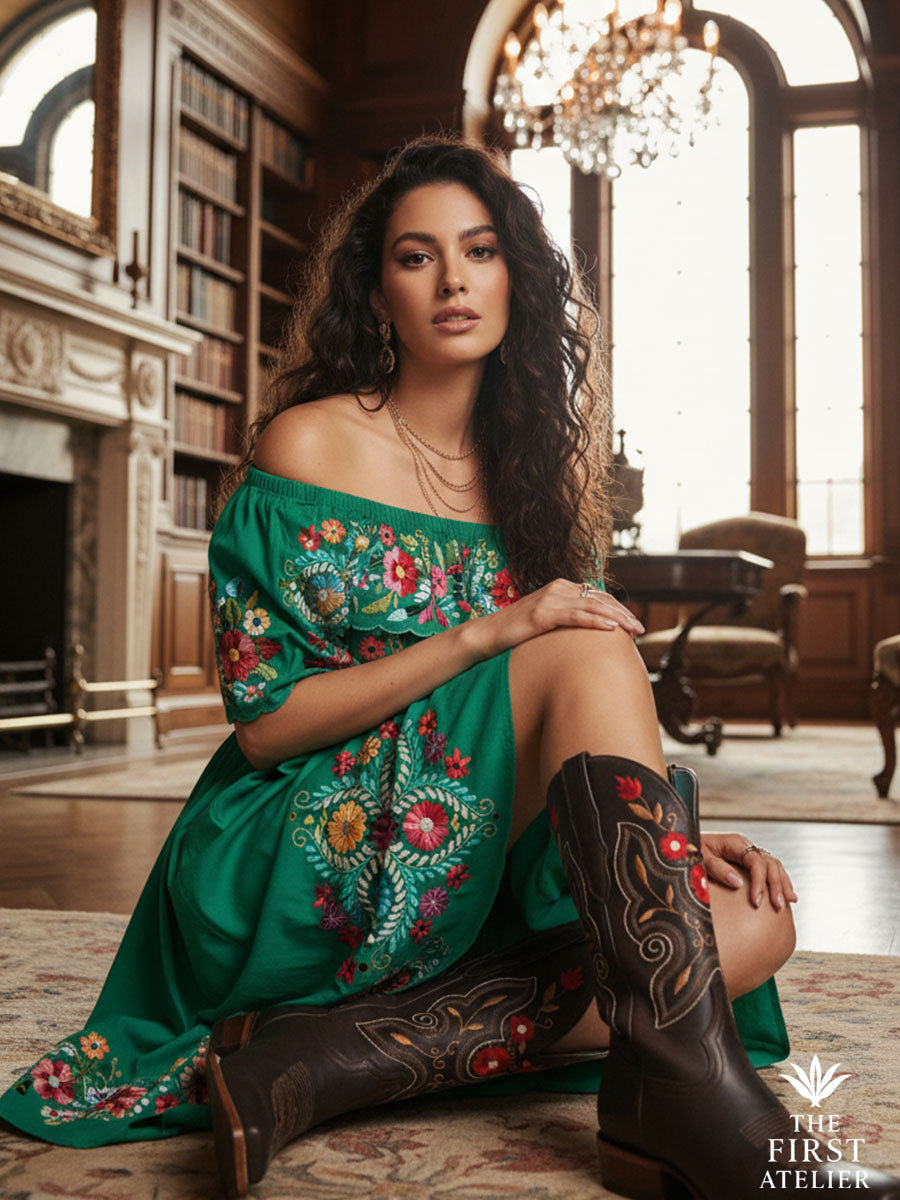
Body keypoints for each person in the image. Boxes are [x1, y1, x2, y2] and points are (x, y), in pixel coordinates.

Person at [2, 135, 895, 1200]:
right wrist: (490, 631)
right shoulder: (309, 446)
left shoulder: (545, 484)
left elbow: (560, 728)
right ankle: (680, 1098)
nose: (454, 279)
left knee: (755, 920)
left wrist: (668, 833)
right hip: (303, 839)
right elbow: (266, 727)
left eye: (479, 251)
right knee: (581, 642)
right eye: (417, 257)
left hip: (478, 863)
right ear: (376, 294)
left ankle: (330, 1058)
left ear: (517, 276)